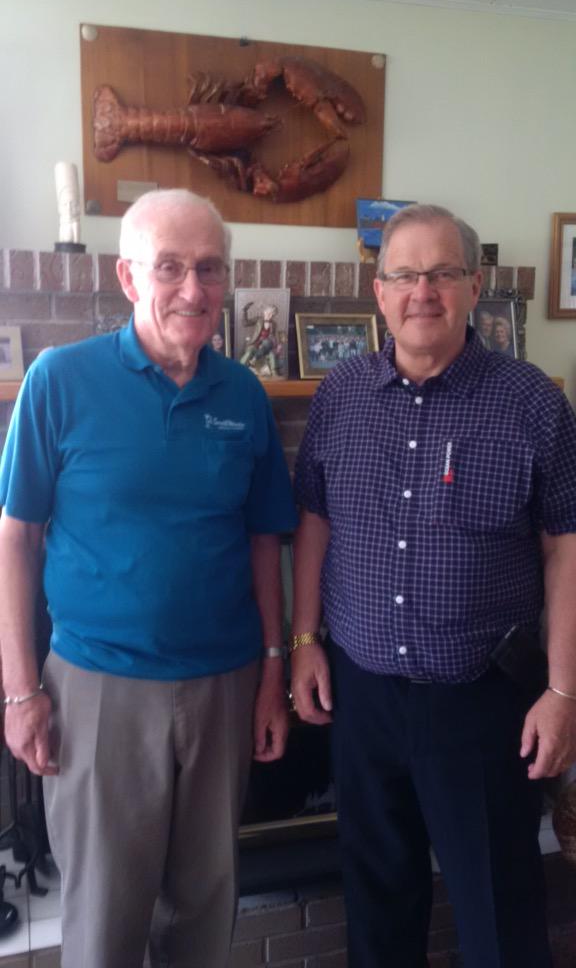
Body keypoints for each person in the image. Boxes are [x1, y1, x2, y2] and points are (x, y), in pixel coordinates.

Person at [0, 188, 297, 968]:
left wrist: (273, 672)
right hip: (97, 692)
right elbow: (15, 538)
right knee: (103, 922)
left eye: (210, 268)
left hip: (223, 689)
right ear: (129, 277)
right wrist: (20, 690)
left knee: (204, 914)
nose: (193, 289)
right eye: (170, 267)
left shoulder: (244, 394)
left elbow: (265, 541)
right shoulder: (58, 382)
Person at [291, 203, 576, 968]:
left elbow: (566, 548)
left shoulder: (533, 402)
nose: (424, 291)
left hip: (484, 704)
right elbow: (314, 519)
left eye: (443, 273)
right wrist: (304, 640)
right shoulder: (339, 395)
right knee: (377, 909)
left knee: (501, 917)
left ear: (474, 287)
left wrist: (563, 690)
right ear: (379, 292)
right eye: (406, 275)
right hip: (363, 697)